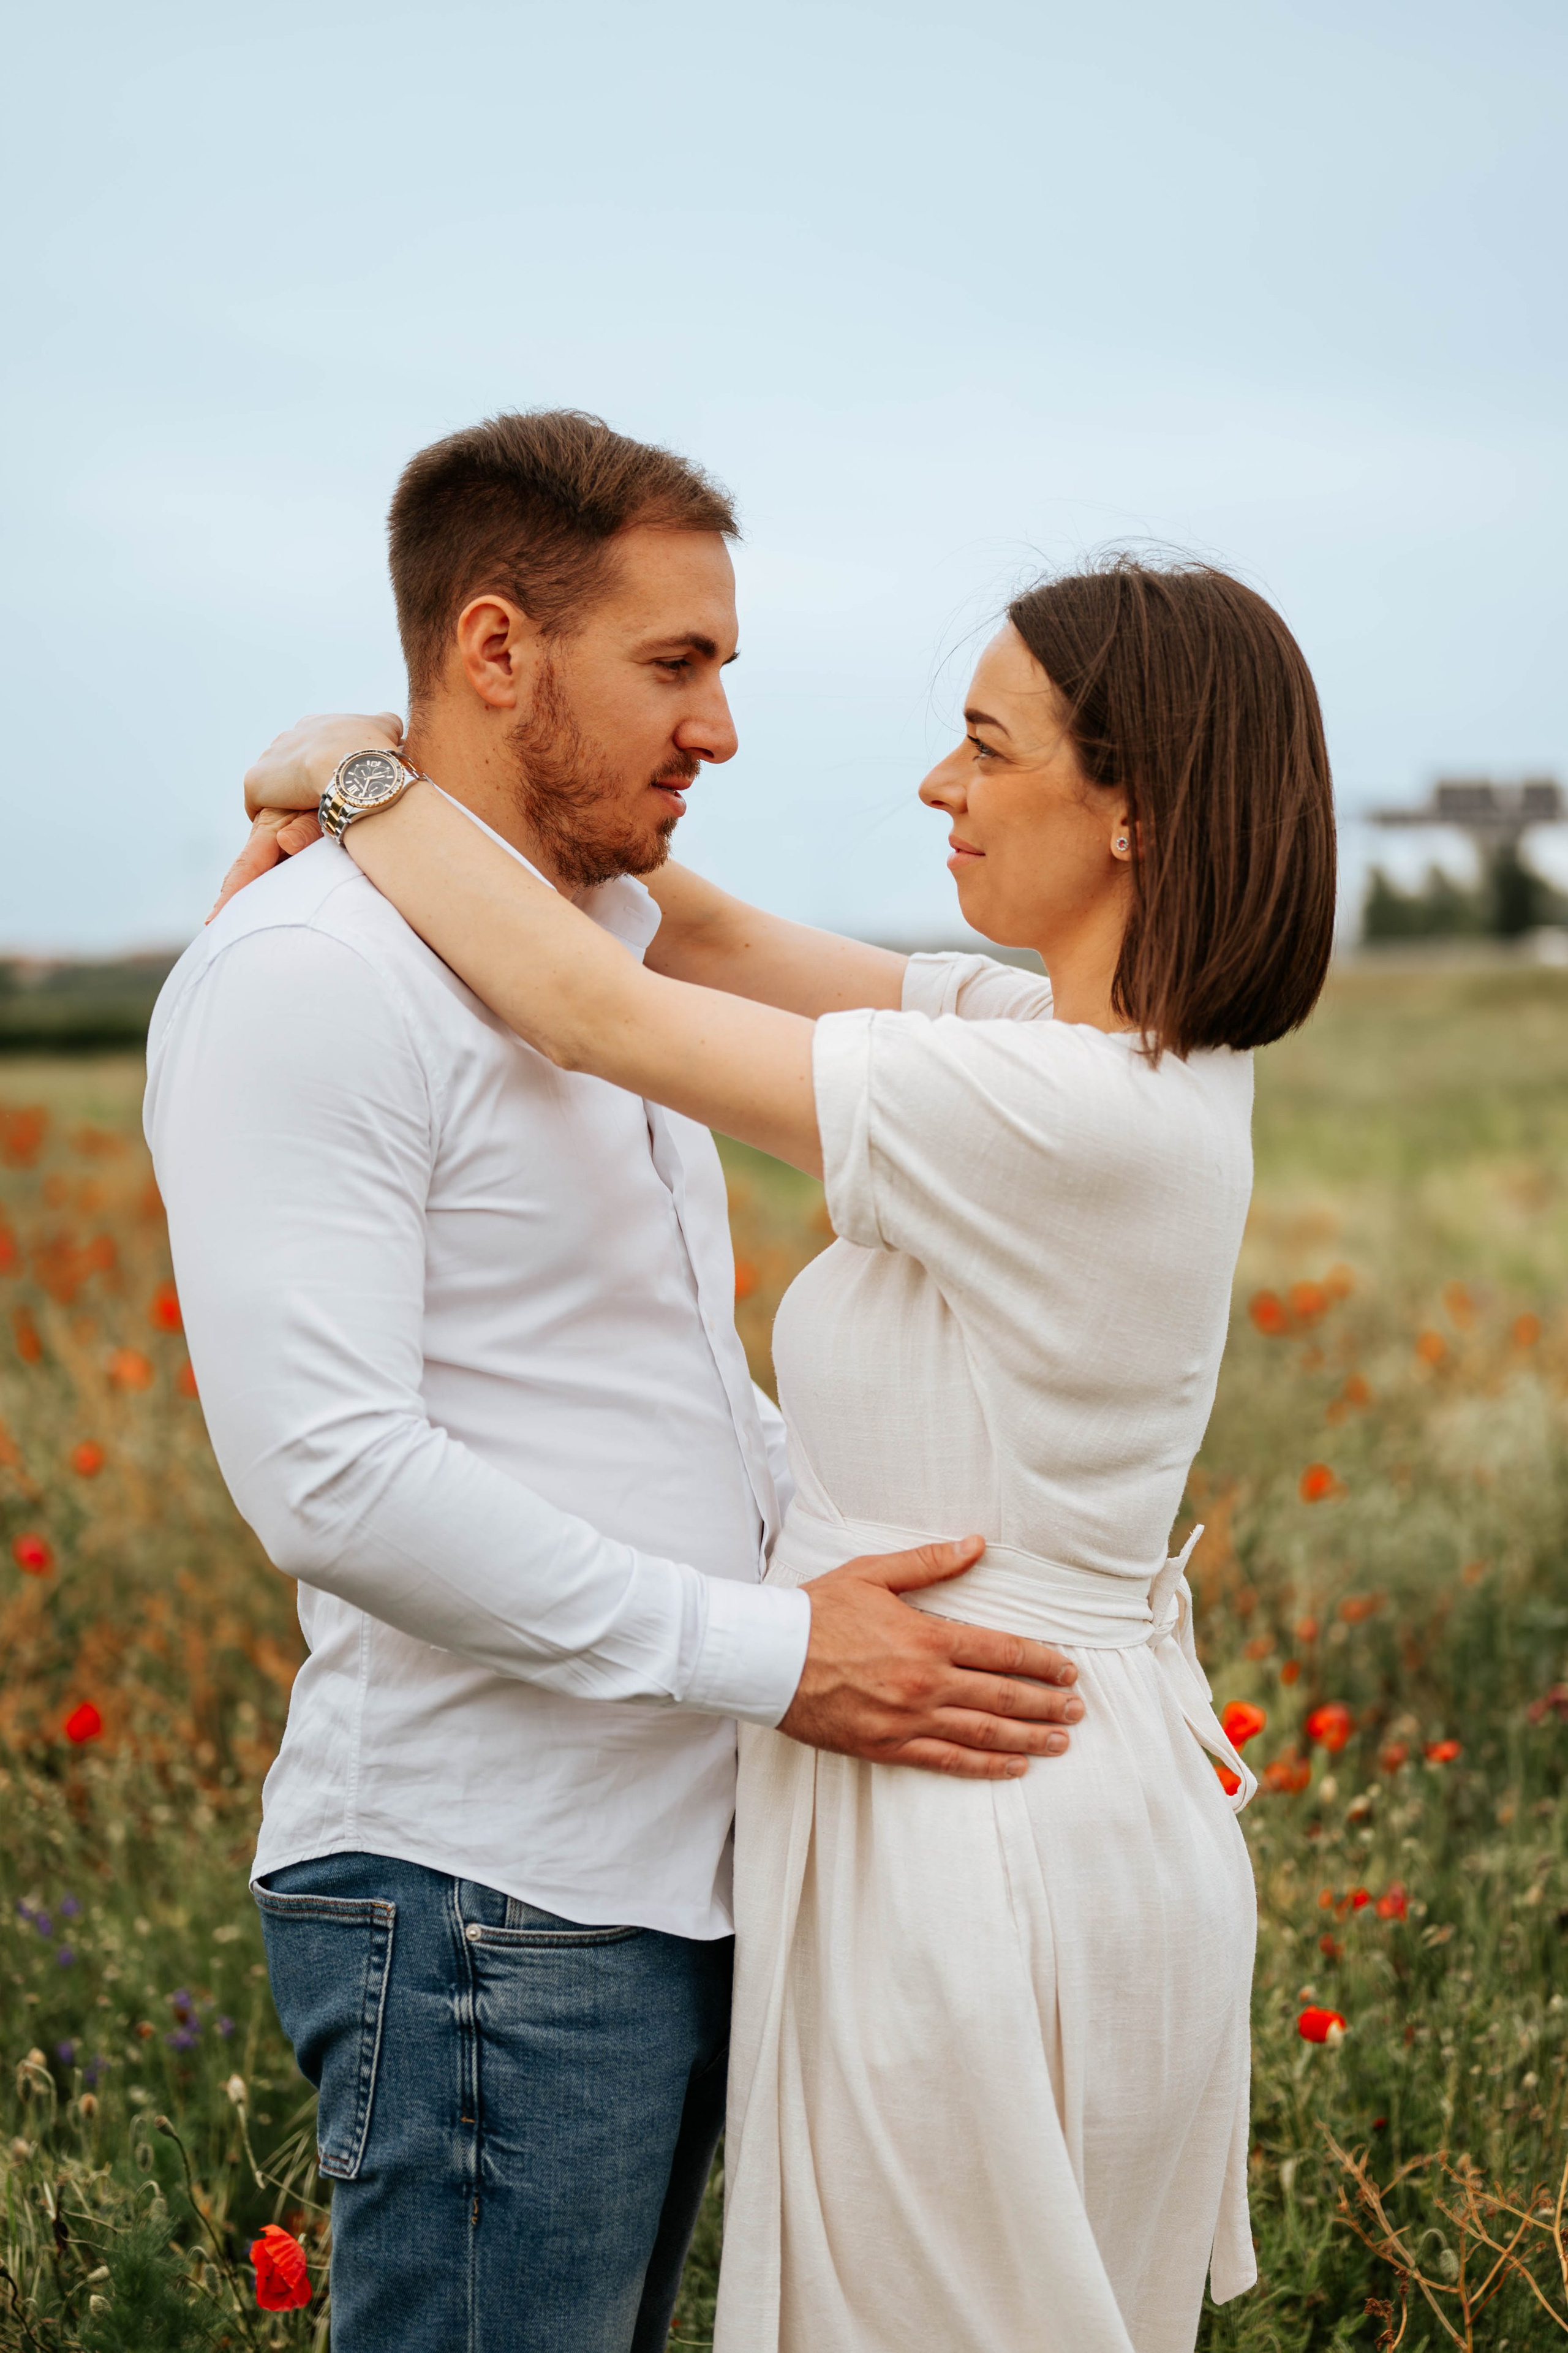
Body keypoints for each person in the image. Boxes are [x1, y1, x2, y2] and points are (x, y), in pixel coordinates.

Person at [236, 537, 1336, 2349]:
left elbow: (597, 1006)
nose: (937, 782)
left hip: (981, 1821)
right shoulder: (1077, 1047)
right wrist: (424, 752)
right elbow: (714, 936)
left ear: (1133, 808)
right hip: (1044, 1781)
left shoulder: (1058, 1108)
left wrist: (359, 782)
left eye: (988, 744)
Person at [148, 411, 1084, 2353]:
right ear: (497, 651)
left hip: (664, 1869)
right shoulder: (313, 972)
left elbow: (636, 1383)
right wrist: (773, 1650)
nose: (721, 728)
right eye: (679, 664)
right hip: (487, 1885)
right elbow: (330, 1477)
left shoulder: (604, 946)